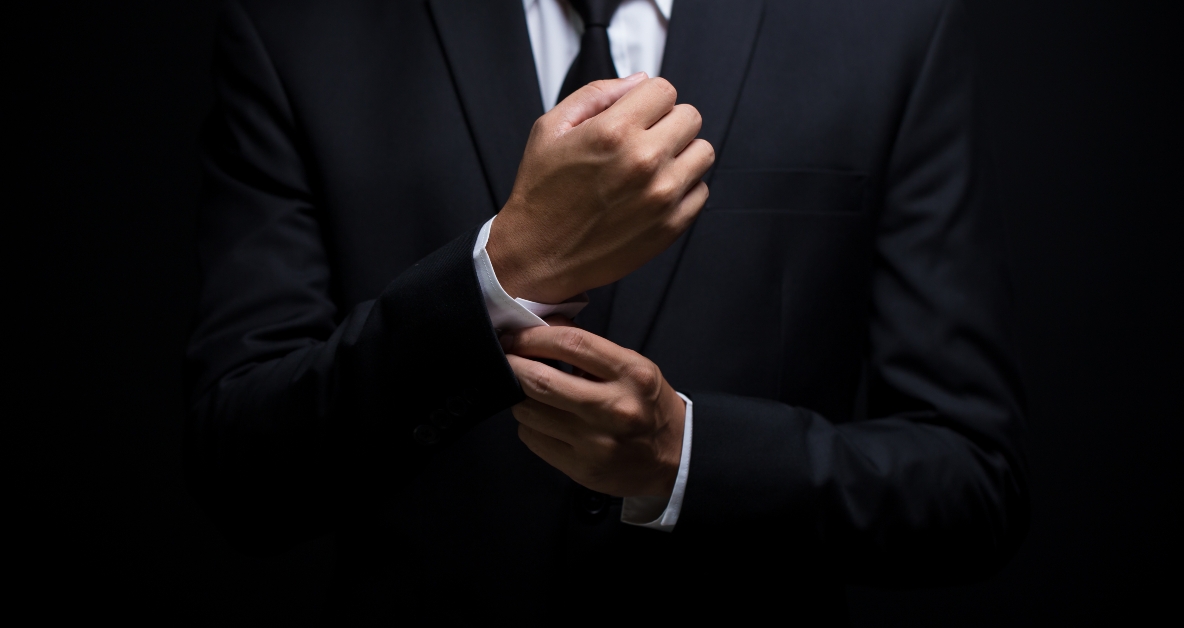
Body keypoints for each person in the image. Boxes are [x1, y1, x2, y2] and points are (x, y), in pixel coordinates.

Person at [185, 0, 1029, 622]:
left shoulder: (891, 27)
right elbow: (244, 472)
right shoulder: (296, 28)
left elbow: (971, 483)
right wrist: (502, 270)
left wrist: (686, 456)